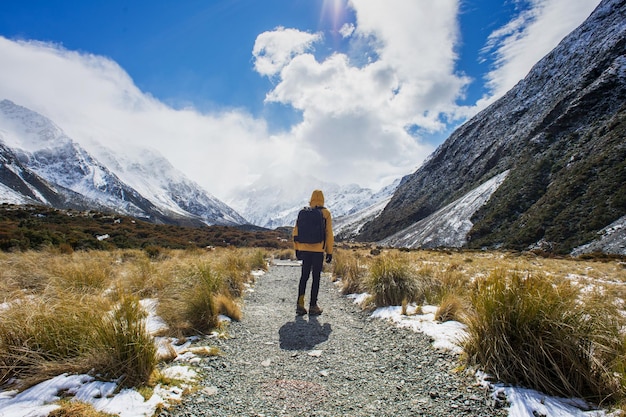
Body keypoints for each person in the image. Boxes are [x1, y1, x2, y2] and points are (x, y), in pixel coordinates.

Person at [292, 189, 334, 316]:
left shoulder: (304, 212)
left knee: (304, 277)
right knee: (316, 277)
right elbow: (329, 234)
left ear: (311, 199)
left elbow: (295, 232)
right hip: (318, 250)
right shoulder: (325, 213)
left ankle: (300, 305)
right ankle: (313, 306)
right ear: (322, 199)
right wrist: (329, 252)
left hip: (304, 249)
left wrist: (297, 248)